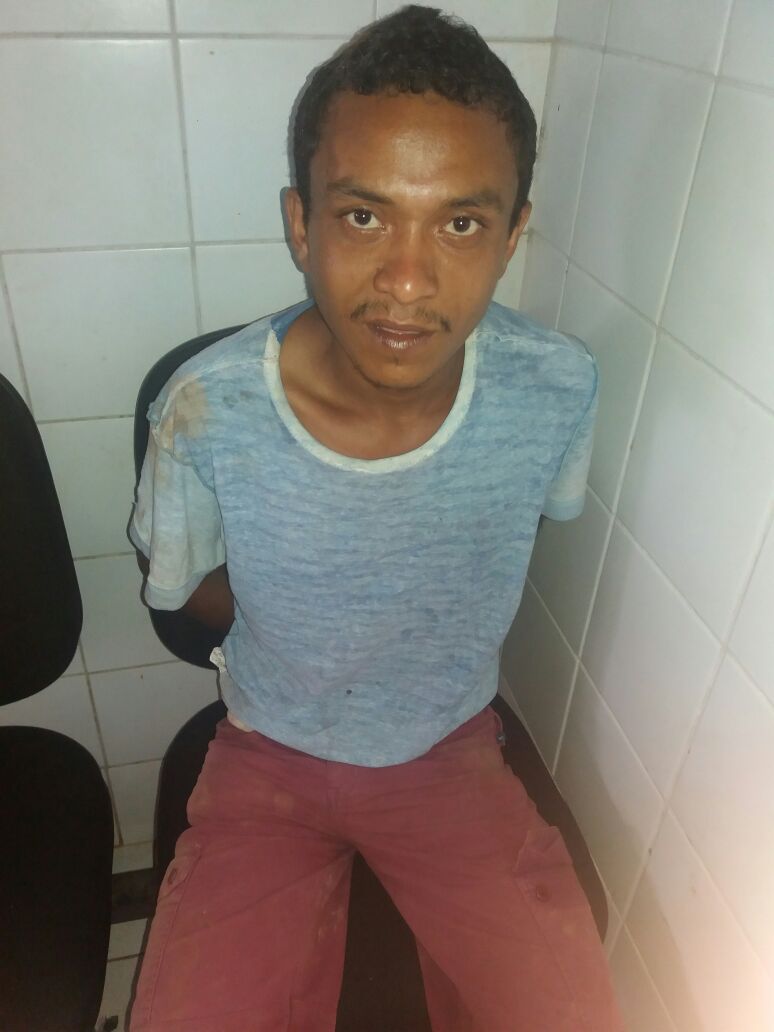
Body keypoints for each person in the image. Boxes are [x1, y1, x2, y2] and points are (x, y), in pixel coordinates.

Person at [127, 6, 623, 1030]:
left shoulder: (556, 387)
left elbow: (512, 529)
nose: (406, 280)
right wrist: (307, 616)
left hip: (449, 750)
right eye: (363, 217)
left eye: (460, 224)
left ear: (513, 234)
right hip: (267, 758)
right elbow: (183, 592)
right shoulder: (205, 407)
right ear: (300, 224)